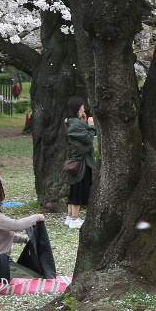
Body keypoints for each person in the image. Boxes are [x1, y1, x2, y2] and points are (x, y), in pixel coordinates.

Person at [0, 171, 46, 281]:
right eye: (1, 185)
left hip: (1, 262)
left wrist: (26, 240)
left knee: (38, 277)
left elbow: (4, 234)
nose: (4, 188)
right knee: (37, 281)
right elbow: (17, 225)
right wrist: (36, 217)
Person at [63, 96, 96, 229]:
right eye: (82, 107)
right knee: (79, 189)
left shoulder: (72, 122)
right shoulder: (76, 124)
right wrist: (91, 126)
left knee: (74, 188)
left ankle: (70, 217)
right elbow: (88, 140)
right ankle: (75, 219)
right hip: (81, 162)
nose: (84, 109)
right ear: (77, 108)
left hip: (75, 160)